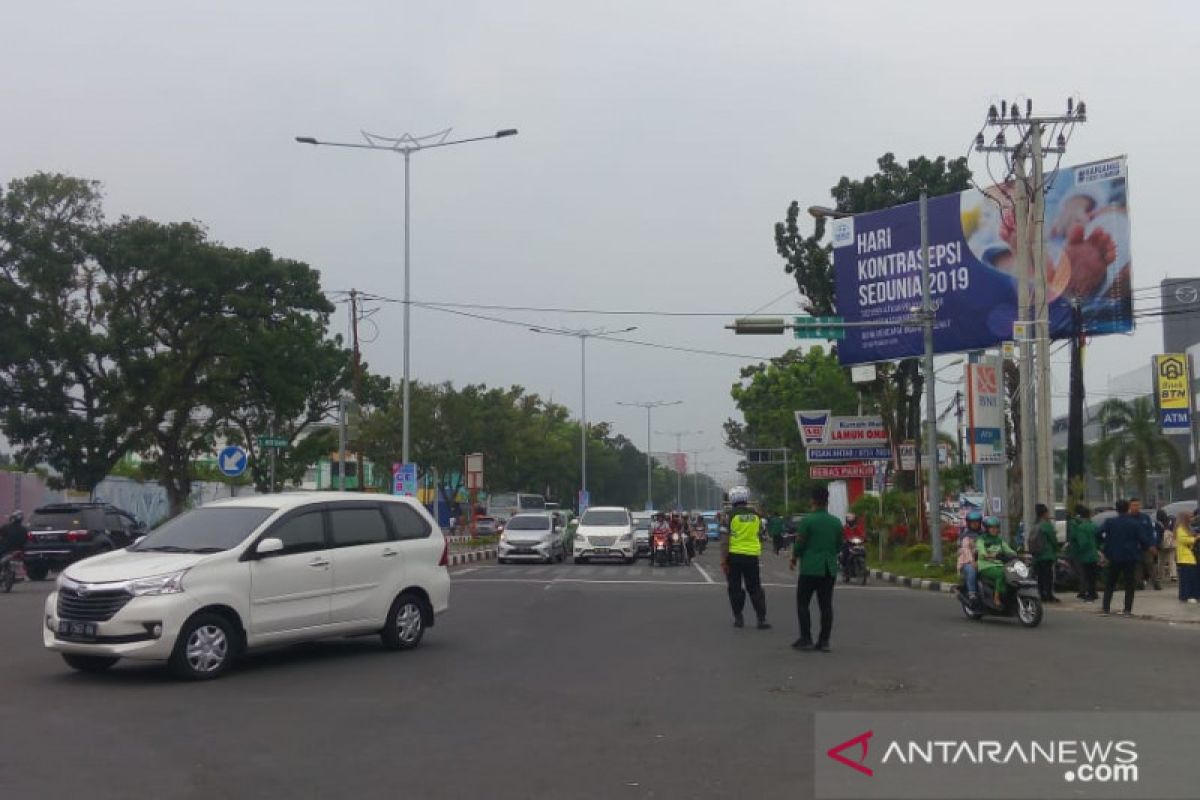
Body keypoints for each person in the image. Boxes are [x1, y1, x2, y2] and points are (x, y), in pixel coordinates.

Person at [790, 485, 841, 652]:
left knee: (803, 603)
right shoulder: (836, 522)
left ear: (812, 500)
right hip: (829, 569)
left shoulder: (808, 521)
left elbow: (800, 544)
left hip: (810, 569)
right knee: (826, 605)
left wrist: (794, 558)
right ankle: (824, 641)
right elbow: (839, 545)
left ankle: (806, 638)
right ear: (827, 501)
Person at [720, 487, 769, 630]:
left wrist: (723, 560)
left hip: (734, 557)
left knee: (735, 588)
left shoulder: (728, 516)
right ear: (746, 499)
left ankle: (739, 618)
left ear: (732, 500)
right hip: (752, 556)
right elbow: (761, 534)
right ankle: (761, 619)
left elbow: (724, 541)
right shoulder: (756, 516)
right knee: (755, 588)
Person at [1099, 499, 1156, 615]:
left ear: (1116, 509)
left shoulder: (1109, 522)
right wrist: (1149, 547)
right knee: (1129, 584)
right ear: (1128, 508)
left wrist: (1106, 544)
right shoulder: (1134, 523)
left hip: (1114, 555)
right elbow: (1143, 539)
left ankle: (1105, 608)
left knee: (1110, 582)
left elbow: (1097, 533)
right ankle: (1127, 609)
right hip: (1130, 556)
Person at [976, 517, 1018, 606]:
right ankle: (996, 597)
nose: (994, 530)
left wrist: (1016, 554)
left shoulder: (999, 540)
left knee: (1013, 573)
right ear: (986, 529)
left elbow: (1009, 550)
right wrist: (987, 555)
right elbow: (981, 551)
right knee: (1001, 574)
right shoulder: (981, 540)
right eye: (992, 528)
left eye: (996, 527)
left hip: (999, 565)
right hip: (986, 566)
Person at [1068, 505, 1100, 602]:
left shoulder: (1080, 527)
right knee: (1093, 575)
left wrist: (1078, 551)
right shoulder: (1093, 525)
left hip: (1085, 555)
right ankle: (1093, 592)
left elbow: (1082, 542)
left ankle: (1088, 593)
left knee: (1085, 574)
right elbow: (1099, 539)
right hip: (1094, 553)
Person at [1030, 503, 1061, 603]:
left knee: (1040, 576)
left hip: (1038, 555)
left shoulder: (1035, 525)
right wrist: (1057, 550)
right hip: (1047, 555)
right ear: (1044, 513)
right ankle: (1049, 595)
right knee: (1048, 576)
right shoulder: (1047, 525)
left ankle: (1042, 595)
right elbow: (1053, 540)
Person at [1129, 497, 1161, 591]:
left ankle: (1156, 583)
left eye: (1138, 505)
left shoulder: (1145, 517)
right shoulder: (1127, 518)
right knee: (1137, 566)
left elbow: (1150, 532)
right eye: (1134, 505)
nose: (1136, 507)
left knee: (1150, 564)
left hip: (1147, 546)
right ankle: (1139, 584)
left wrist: (1153, 545)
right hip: (1134, 547)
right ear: (1130, 506)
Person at [957, 511, 984, 602]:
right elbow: (966, 550)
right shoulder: (965, 535)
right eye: (973, 522)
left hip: (982, 560)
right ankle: (972, 593)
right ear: (968, 523)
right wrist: (972, 561)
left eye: (977, 522)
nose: (975, 524)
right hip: (967, 561)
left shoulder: (983, 534)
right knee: (972, 570)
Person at [1174, 510, 1198, 603]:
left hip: (1188, 556)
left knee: (1189, 577)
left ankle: (1187, 595)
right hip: (1185, 557)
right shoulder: (1180, 528)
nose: (1192, 519)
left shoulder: (1187, 528)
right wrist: (1195, 538)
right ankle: (1187, 595)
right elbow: (1184, 540)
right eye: (1190, 517)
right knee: (1187, 578)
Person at [0, 511, 28, 580]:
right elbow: (28, 538)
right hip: (19, 551)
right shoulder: (24, 529)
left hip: (6, 550)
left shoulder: (6, 527)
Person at [839, 512, 865, 577]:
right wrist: (844, 539)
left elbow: (861, 533)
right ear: (847, 521)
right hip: (848, 544)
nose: (851, 522)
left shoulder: (857, 527)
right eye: (850, 520)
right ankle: (845, 570)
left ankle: (862, 567)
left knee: (863, 551)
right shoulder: (845, 527)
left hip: (856, 544)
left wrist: (864, 538)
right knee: (845, 553)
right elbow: (842, 535)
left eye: (852, 520)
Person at [1157, 509, 1177, 584]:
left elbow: (1157, 535)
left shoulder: (1158, 523)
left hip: (1162, 544)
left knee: (1161, 560)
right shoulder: (1171, 520)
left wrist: (1157, 545)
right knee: (1172, 560)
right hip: (1172, 543)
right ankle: (1173, 575)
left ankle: (1160, 575)